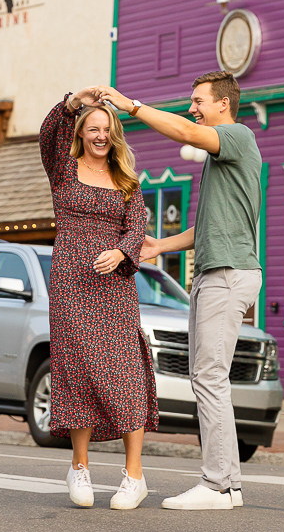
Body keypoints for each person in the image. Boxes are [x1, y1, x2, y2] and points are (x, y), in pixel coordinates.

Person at [98, 71, 262, 511]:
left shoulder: (238, 136)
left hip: (225, 275)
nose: (193, 107)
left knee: (209, 379)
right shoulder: (221, 157)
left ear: (223, 104)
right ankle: (230, 484)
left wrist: (130, 105)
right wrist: (159, 247)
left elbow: (186, 130)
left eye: (198, 100)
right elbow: (209, 227)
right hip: (220, 271)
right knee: (210, 378)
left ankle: (216, 485)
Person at [38, 87, 158, 510]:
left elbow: (136, 226)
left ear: (115, 133)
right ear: (82, 133)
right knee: (79, 370)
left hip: (114, 287)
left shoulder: (127, 179)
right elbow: (47, 133)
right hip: (72, 282)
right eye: (93, 128)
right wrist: (73, 101)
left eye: (107, 128)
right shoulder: (63, 169)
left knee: (126, 371)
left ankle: (134, 475)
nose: (101, 135)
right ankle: (80, 466)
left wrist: (124, 251)